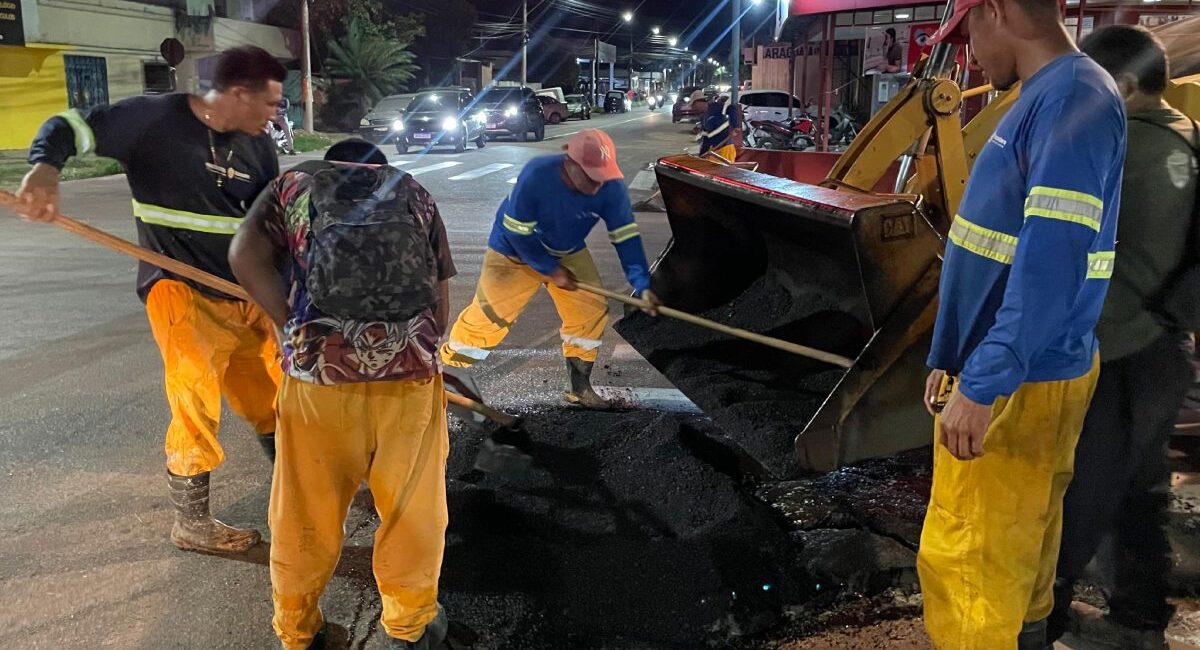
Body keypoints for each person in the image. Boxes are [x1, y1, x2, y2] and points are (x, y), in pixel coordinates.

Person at [10, 46, 286, 554]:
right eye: (269, 104)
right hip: (178, 287)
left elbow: (273, 226)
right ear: (239, 93)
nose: (274, 115)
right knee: (194, 394)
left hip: (243, 293)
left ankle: (296, 489)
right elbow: (67, 124)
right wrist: (44, 169)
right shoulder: (152, 119)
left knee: (271, 397)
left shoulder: (259, 148)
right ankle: (192, 522)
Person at [919, 3, 1125, 649]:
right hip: (1021, 370)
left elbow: (1051, 257)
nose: (969, 55)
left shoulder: (1069, 99)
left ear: (998, 9)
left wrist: (982, 382)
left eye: (968, 34)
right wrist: (950, 353)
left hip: (1017, 382)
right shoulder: (1059, 94)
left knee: (971, 567)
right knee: (1016, 552)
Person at [229, 139, 457, 650]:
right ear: (380, 166)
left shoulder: (292, 186)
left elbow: (243, 256)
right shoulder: (414, 191)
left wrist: (292, 328)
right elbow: (440, 306)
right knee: (411, 508)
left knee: (306, 509)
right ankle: (410, 626)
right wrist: (417, 349)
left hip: (318, 379)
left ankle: (298, 628)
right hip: (409, 379)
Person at [1049, 25, 1198, 649]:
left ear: (1126, 85)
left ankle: (1044, 619)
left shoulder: (1115, 145)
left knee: (1079, 488)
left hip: (1112, 347)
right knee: (1142, 486)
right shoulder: (1188, 138)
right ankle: (1138, 615)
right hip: (1167, 345)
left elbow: (1063, 245)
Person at [439, 129, 659, 411]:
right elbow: (517, 232)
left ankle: (579, 388)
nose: (596, 186)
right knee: (489, 319)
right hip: (514, 251)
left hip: (566, 250)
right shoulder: (538, 175)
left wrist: (642, 285)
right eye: (590, 176)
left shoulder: (610, 186)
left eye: (601, 176)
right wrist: (549, 269)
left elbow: (625, 236)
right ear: (569, 161)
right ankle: (445, 379)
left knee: (590, 310)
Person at [698, 94, 740, 161]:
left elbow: (731, 108)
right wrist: (702, 155)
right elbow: (706, 139)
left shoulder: (716, 109)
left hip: (725, 148)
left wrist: (736, 126)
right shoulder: (704, 116)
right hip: (716, 150)